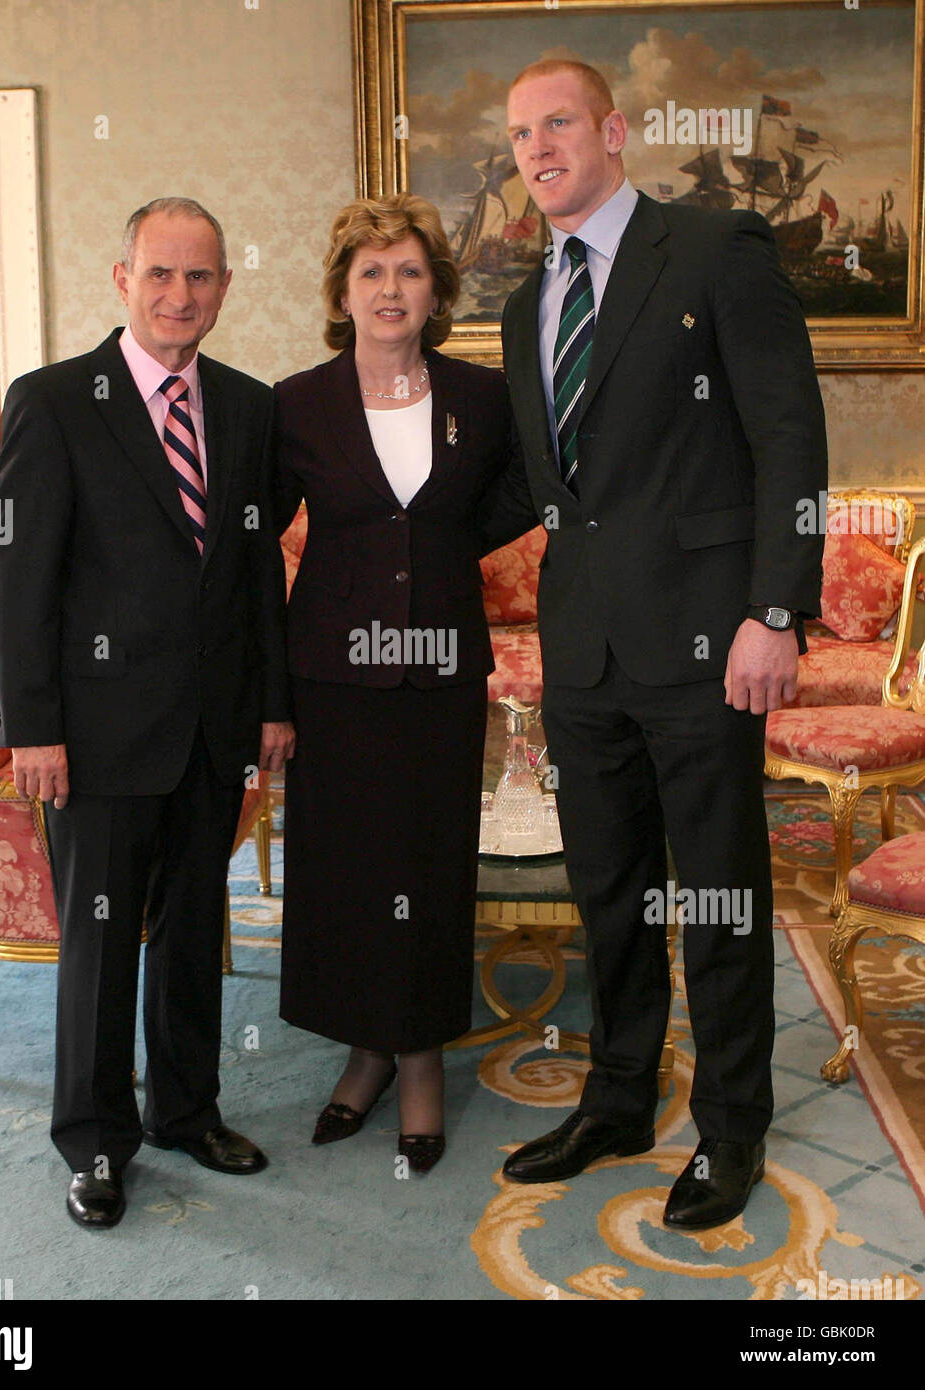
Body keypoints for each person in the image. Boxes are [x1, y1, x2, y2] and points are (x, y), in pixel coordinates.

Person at [480, 60, 827, 1229]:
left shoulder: (716, 247)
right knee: (609, 899)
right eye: (522, 134)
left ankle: (732, 1126)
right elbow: (541, 487)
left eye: (559, 123)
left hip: (704, 644)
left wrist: (774, 611)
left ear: (615, 131)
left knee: (721, 898)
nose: (538, 148)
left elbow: (789, 437)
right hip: (582, 654)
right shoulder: (530, 298)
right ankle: (619, 1098)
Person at [0, 197, 295, 1229]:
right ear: (121, 279)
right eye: (160, 274)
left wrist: (272, 708)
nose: (180, 295)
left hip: (213, 729)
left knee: (195, 927)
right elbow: (18, 579)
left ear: (223, 286)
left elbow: (254, 571)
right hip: (97, 737)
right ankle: (94, 1140)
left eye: (200, 276)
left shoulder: (248, 409)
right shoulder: (53, 400)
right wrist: (32, 726)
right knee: (103, 941)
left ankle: (187, 1110)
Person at [273, 193, 511, 1173]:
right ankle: (366, 1049)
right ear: (342, 289)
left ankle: (419, 1061)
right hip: (333, 676)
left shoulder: (483, 399)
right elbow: (253, 550)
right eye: (371, 270)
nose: (390, 287)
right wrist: (269, 698)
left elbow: (524, 492)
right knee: (350, 869)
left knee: (430, 862)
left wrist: (439, 551)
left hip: (443, 670)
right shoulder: (296, 404)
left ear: (436, 290)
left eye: (409, 270)